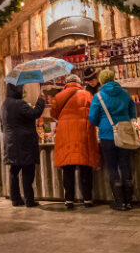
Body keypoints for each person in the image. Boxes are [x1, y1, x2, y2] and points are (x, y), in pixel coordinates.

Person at [89, 69, 136, 211]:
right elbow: (133, 112)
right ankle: (128, 200)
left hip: (107, 136)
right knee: (125, 165)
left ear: (102, 81)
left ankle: (119, 201)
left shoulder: (99, 96)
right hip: (124, 133)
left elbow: (92, 118)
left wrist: (102, 125)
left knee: (112, 167)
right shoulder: (125, 93)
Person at [51, 74, 100, 209]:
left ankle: (69, 200)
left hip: (65, 135)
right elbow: (93, 113)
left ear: (66, 83)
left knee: (68, 168)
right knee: (85, 166)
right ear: (79, 83)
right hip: (83, 133)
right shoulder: (87, 95)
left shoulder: (58, 97)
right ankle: (88, 199)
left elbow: (54, 115)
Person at [0, 83, 45, 207]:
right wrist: (40, 100)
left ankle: (15, 199)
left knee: (14, 172)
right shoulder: (19, 104)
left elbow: (2, 126)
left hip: (10, 143)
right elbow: (35, 113)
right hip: (24, 143)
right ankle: (29, 200)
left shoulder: (4, 105)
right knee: (27, 171)